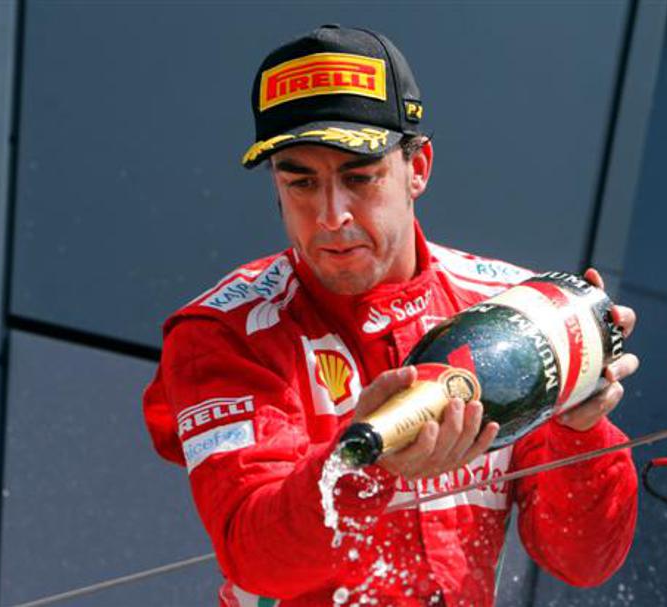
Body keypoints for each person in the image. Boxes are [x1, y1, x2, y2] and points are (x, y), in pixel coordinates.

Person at [143, 25, 639, 607]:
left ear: (418, 167)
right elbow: (255, 557)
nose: (331, 215)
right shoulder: (225, 331)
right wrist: (369, 462)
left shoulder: (514, 309)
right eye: (301, 182)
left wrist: (580, 431)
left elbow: (583, 562)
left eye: (359, 178)